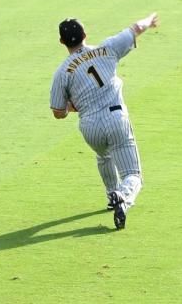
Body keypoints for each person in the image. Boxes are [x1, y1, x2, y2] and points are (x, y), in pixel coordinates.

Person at [49, 13, 159, 230]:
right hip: (116, 118)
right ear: (85, 34)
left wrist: (73, 106)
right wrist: (150, 20)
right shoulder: (107, 48)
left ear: (62, 41)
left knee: (103, 154)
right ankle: (122, 197)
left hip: (90, 127)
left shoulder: (62, 72)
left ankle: (111, 196)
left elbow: (58, 112)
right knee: (133, 175)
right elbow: (136, 28)